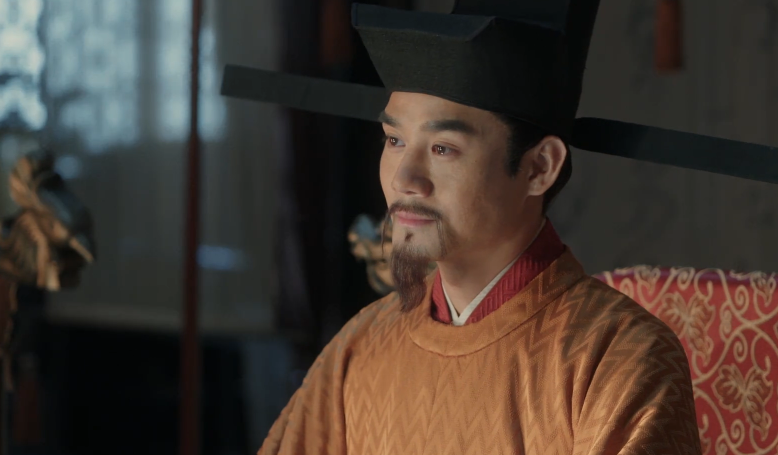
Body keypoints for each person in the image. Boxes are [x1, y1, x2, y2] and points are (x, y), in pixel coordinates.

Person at [216, 0, 778, 452]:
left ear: (538, 168)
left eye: (443, 148)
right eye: (394, 140)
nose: (405, 178)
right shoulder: (361, 347)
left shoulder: (617, 358)